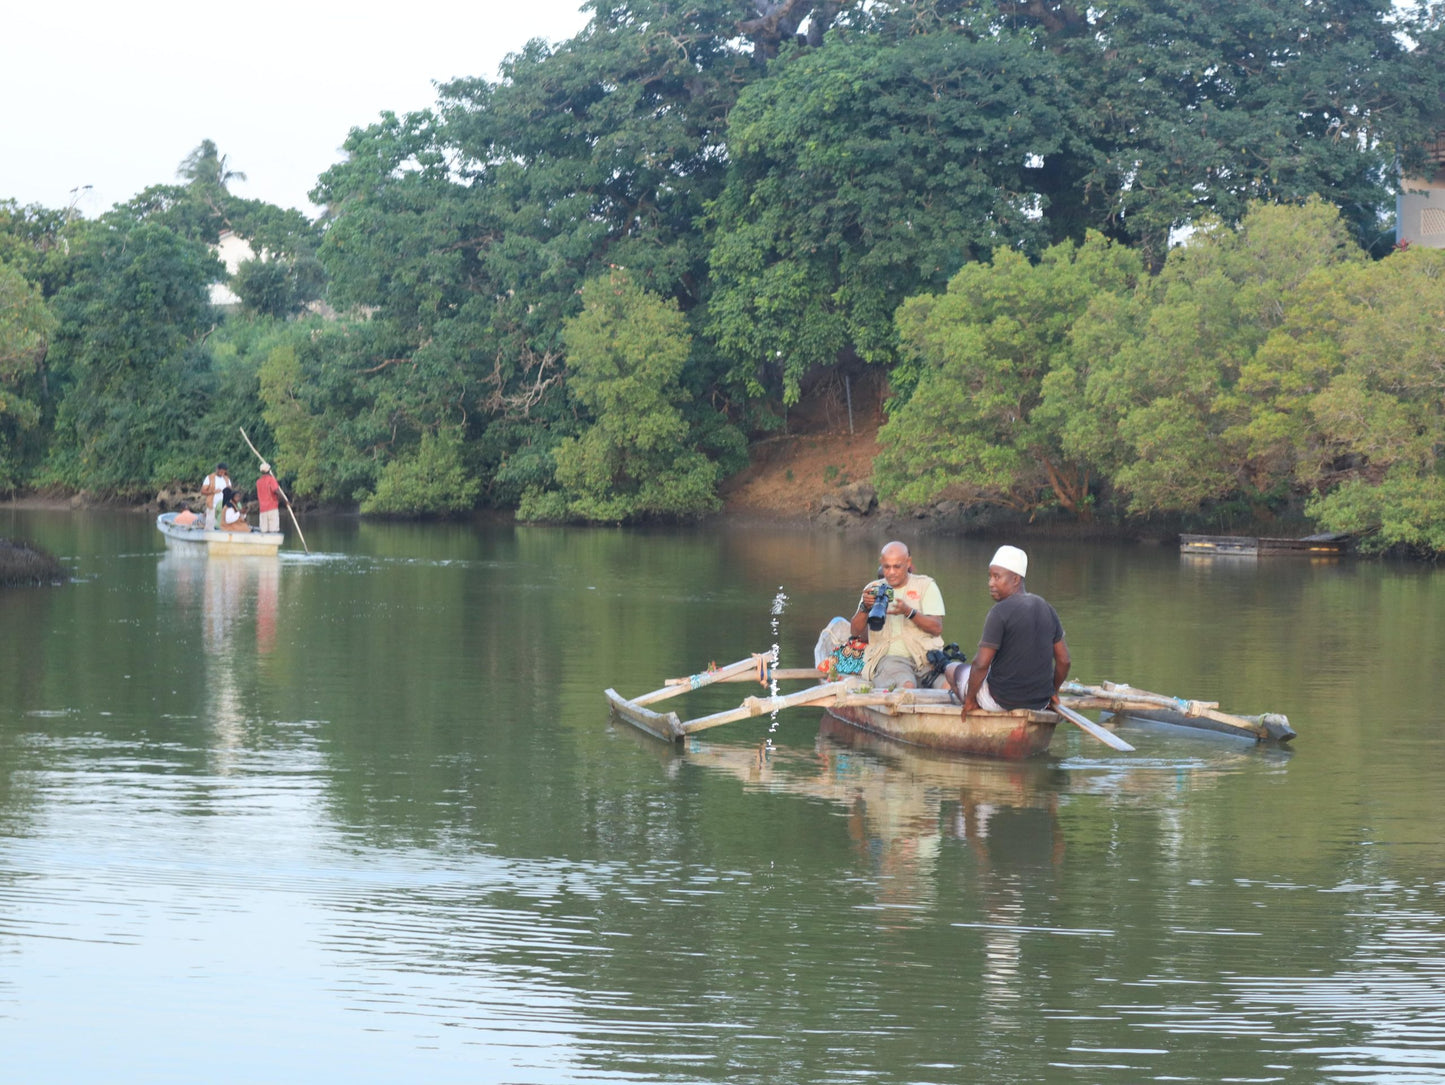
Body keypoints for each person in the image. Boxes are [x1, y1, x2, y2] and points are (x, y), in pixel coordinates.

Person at [951, 545, 1070, 717]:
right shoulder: (1046, 607)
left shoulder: (999, 612)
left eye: (996, 577)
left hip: (1000, 701)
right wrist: (1053, 691)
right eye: (990, 576)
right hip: (1040, 702)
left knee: (953, 669)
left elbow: (981, 664)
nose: (990, 583)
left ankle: (966, 697)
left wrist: (970, 700)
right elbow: (1064, 660)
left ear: (1015, 579)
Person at [848, 540, 947, 690]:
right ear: (881, 563)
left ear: (908, 562)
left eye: (897, 566)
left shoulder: (926, 585)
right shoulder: (873, 588)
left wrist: (909, 612)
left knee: (949, 687)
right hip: (890, 660)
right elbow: (855, 633)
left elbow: (937, 628)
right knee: (907, 686)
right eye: (887, 567)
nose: (891, 572)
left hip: (926, 660)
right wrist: (865, 608)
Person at [254, 462, 285, 534]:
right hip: (272, 508)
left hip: (263, 510)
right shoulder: (271, 480)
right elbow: (276, 491)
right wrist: (285, 501)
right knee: (274, 530)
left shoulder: (258, 482)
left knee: (264, 531)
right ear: (269, 470)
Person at [200, 463, 229, 530]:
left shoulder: (227, 479)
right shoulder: (209, 478)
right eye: (221, 471)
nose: (222, 473)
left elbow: (230, 491)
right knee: (210, 524)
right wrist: (213, 492)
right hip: (212, 505)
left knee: (223, 524)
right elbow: (202, 491)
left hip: (223, 506)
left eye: (224, 472)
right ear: (217, 469)